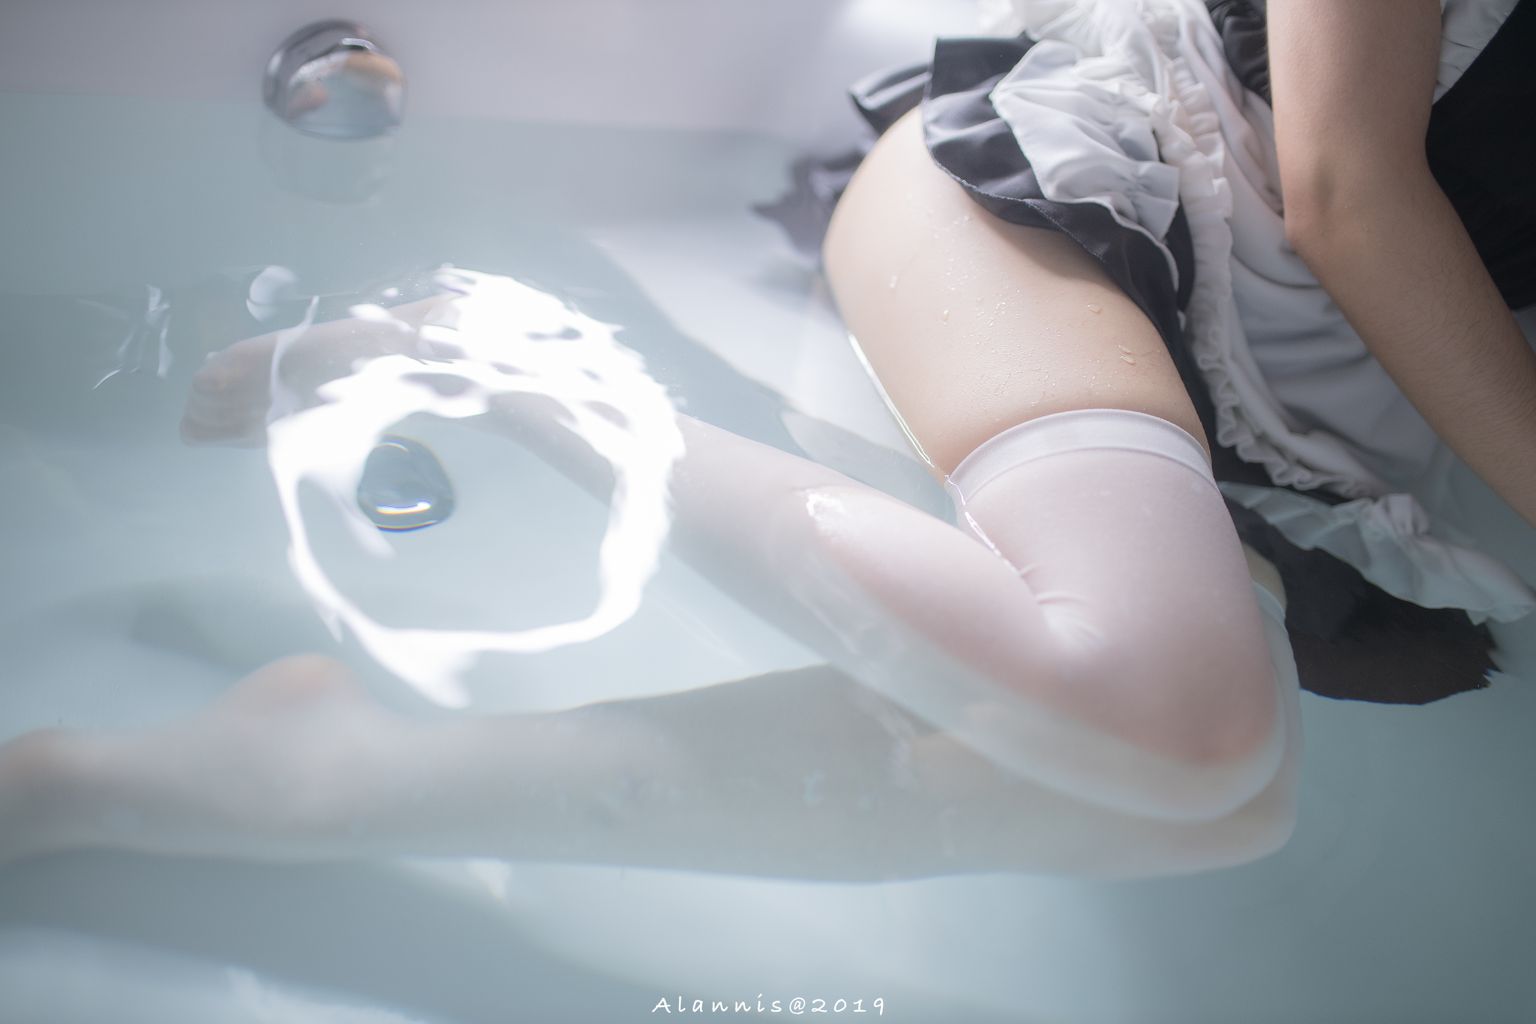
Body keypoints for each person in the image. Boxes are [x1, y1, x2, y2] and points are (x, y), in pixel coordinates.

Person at [0, 0, 1529, 880]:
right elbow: (1345, 183)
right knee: (1173, 722)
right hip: (1084, 198)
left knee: (1210, 804)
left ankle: (323, 779)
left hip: (1298, 393)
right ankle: (474, 355)